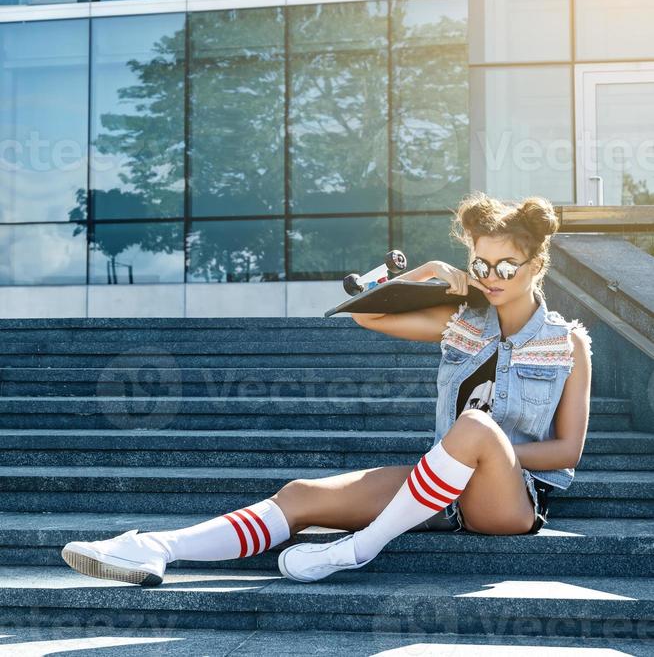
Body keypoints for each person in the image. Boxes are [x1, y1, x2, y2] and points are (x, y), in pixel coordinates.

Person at [61, 192, 592, 587]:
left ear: (536, 264)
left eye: (505, 266)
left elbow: (567, 451)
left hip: (511, 503)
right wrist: (430, 271)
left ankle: (359, 548)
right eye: (481, 264)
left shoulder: (567, 342)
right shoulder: (463, 324)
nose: (491, 276)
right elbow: (365, 313)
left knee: (475, 429)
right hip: (442, 489)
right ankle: (151, 547)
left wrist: (476, 457)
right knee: (300, 495)